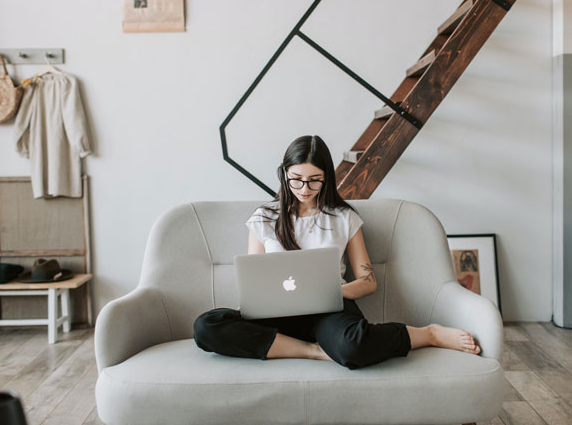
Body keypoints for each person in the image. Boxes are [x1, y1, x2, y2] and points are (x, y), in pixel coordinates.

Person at [193, 135, 481, 369]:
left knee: (353, 346)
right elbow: (253, 277)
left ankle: (428, 333)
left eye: (314, 180)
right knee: (206, 327)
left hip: (329, 309)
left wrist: (330, 292)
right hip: (275, 314)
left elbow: (368, 281)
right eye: (296, 179)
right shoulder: (264, 218)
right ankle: (313, 352)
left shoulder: (344, 218)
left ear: (327, 177)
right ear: (284, 174)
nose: (305, 188)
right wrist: (253, 302)